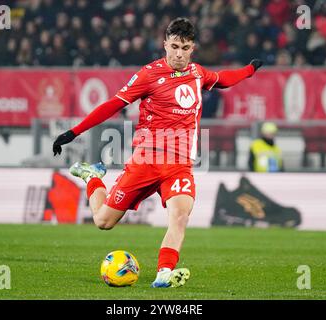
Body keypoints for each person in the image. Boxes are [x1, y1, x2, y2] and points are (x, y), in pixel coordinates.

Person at [53, 17, 262, 287]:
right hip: (146, 161)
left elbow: (223, 79)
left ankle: (164, 273)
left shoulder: (198, 74)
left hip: (179, 165)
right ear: (164, 44)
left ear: (192, 48)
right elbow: (112, 104)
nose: (179, 53)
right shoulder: (149, 74)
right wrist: (74, 132)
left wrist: (249, 70)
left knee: (180, 216)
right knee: (103, 221)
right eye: (174, 46)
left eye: (185, 48)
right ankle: (92, 177)